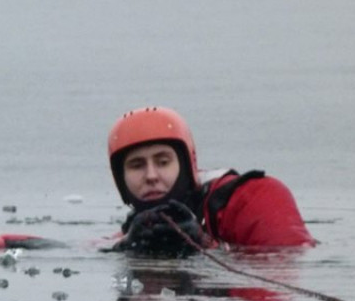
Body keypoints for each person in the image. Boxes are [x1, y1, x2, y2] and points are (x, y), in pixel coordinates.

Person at [107, 106, 316, 255]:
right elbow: (94, 247)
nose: (151, 176)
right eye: (136, 166)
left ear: (187, 164)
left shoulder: (255, 196)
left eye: (163, 162)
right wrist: (127, 246)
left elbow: (288, 263)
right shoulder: (134, 229)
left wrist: (203, 242)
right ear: (120, 179)